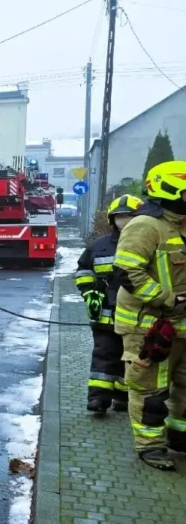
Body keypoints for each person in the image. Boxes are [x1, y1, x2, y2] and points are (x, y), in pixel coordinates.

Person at [113, 161, 186, 471]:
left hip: (181, 327)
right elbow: (127, 271)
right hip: (150, 327)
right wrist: (167, 299)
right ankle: (150, 446)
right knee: (149, 389)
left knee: (182, 386)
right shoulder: (146, 225)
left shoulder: (180, 225)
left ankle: (179, 438)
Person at [75, 194, 143, 414]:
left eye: (129, 216)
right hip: (104, 315)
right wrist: (90, 294)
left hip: (135, 317)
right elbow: (84, 271)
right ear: (112, 219)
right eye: (119, 216)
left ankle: (123, 398)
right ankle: (98, 400)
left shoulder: (147, 244)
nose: (124, 221)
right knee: (103, 357)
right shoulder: (100, 245)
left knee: (131, 359)